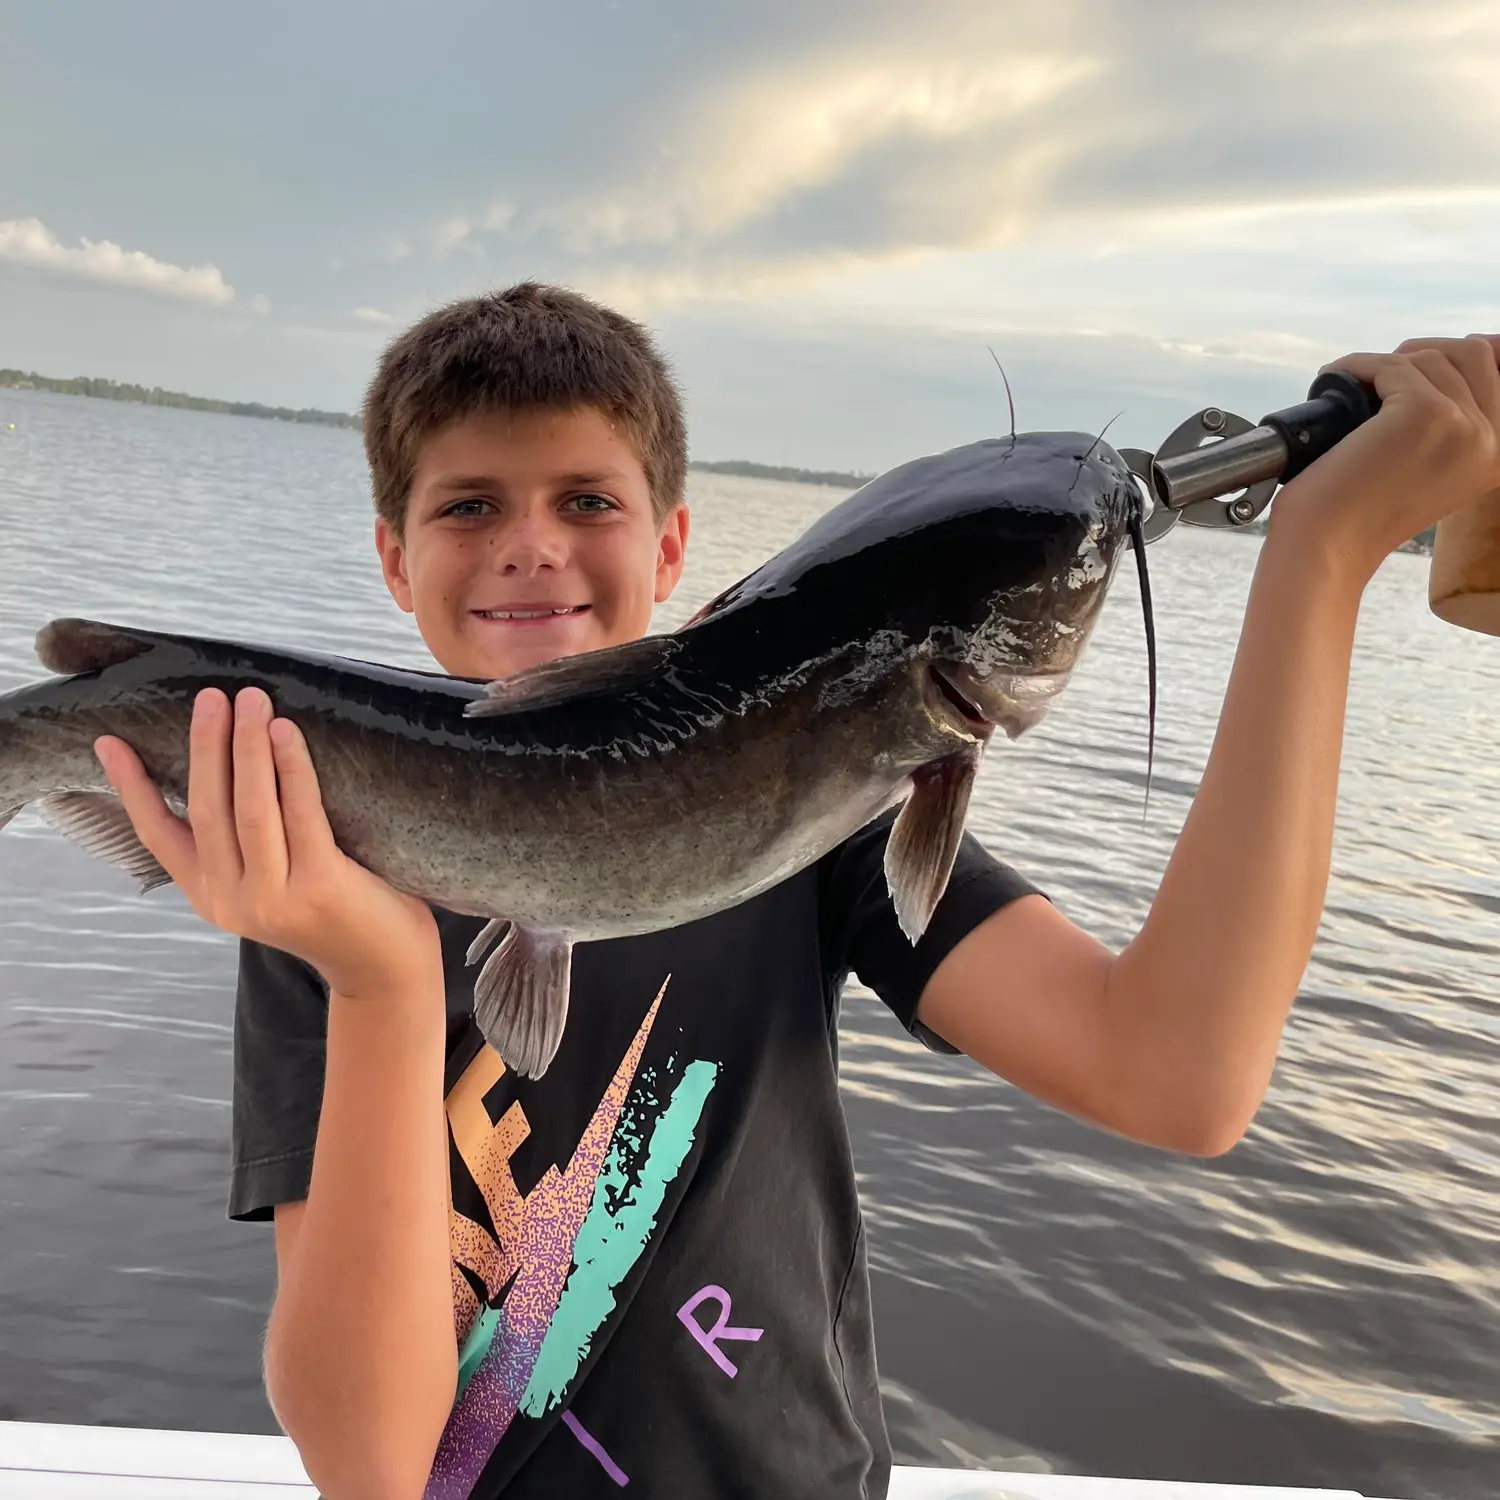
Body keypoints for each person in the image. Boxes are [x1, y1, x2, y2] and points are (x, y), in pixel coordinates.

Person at [94, 286, 1500, 1500]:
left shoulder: (827, 827)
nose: (533, 545)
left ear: (673, 546)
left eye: (588, 498)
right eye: (472, 505)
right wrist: (381, 978)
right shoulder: (309, 882)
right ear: (396, 556)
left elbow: (1181, 1075)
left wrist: (1319, 566)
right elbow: (372, 1466)